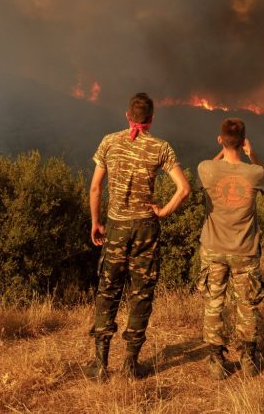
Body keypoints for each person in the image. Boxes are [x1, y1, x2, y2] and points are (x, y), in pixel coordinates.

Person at [81, 92, 191, 382]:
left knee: (108, 292)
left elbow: (95, 189)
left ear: (127, 116)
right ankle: (131, 364)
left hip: (116, 227)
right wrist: (164, 211)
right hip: (145, 228)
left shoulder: (109, 142)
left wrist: (96, 222)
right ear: (151, 119)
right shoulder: (161, 148)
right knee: (140, 294)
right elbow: (184, 188)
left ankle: (100, 364)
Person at [196, 118, 264, 378]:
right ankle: (249, 359)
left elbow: (215, 164)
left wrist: (223, 151)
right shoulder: (254, 173)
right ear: (244, 141)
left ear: (220, 139)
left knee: (213, 304)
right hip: (245, 251)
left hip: (213, 248)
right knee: (247, 304)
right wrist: (251, 154)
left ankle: (216, 360)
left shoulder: (207, 169)